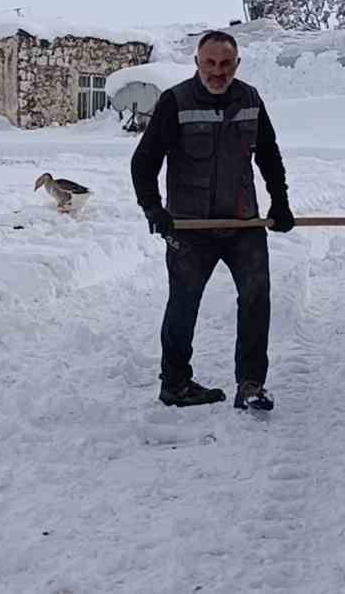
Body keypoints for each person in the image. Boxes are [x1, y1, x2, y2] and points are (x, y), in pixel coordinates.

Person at [130, 30, 294, 411]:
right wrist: (154, 208)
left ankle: (251, 384)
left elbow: (268, 155)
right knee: (183, 303)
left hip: (243, 223)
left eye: (225, 64)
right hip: (191, 227)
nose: (217, 72)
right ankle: (175, 383)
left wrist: (280, 203)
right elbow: (144, 162)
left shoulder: (251, 99)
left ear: (237, 64)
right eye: (210, 63)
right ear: (197, 63)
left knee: (256, 299)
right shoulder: (175, 101)